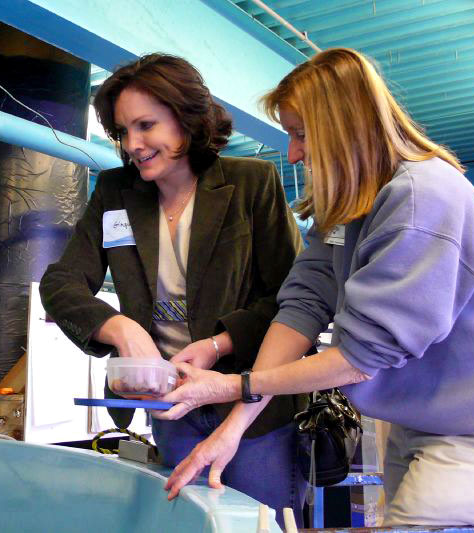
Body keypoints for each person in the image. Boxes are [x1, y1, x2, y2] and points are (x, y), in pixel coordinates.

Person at [157, 47, 474, 527]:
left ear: (345, 127)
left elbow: (358, 359)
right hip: (419, 422)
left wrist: (233, 385)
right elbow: (303, 306)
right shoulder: (350, 207)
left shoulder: (421, 200)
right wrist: (236, 424)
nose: (294, 153)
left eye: (301, 134)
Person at [39, 54, 307, 527]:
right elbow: (60, 282)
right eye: (123, 132)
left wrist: (217, 344)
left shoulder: (251, 184)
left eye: (146, 125)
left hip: (250, 413)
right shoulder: (116, 193)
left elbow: (291, 302)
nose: (133, 145)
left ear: (187, 120)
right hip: (171, 412)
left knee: (254, 525)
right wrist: (116, 326)